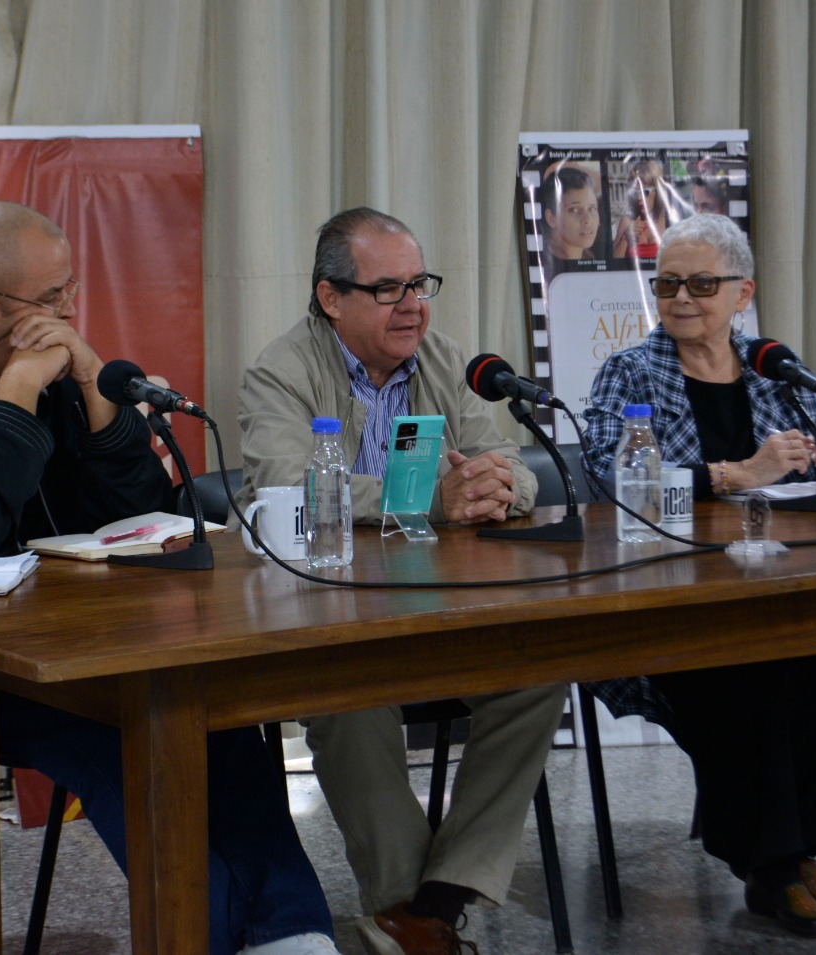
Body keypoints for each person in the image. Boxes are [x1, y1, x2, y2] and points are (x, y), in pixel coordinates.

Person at [0, 200, 339, 955]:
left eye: (72, 291)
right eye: (55, 297)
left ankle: (292, 933)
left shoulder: (60, 365)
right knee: (118, 728)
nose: (72, 312)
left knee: (206, 709)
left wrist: (99, 392)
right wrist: (19, 393)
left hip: (61, 633)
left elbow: (135, 511)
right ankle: (216, 936)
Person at [238, 206, 567, 955]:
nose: (413, 304)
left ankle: (434, 904)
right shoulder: (281, 371)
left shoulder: (447, 360)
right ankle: (404, 904)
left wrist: (495, 486)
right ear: (331, 297)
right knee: (346, 695)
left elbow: (509, 462)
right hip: (331, 617)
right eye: (389, 289)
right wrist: (423, 495)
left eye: (420, 284)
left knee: (539, 672)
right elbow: (286, 483)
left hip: (443, 610)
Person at [582, 213, 816, 938]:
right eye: (669, 283)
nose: (682, 298)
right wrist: (735, 473)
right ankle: (774, 869)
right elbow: (601, 475)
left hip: (775, 579)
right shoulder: (632, 371)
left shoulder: (774, 367)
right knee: (746, 660)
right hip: (669, 596)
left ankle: (801, 845)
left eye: (702, 284)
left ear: (742, 291)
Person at [610, 158, 676, 261]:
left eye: (645, 192)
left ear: (658, 191)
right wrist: (625, 237)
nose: (639, 198)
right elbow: (612, 263)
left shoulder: (669, 219)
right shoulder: (627, 220)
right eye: (635, 192)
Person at [538, 166, 602, 266]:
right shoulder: (546, 265)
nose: (587, 219)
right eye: (574, 209)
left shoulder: (589, 258)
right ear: (551, 219)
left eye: (592, 208)